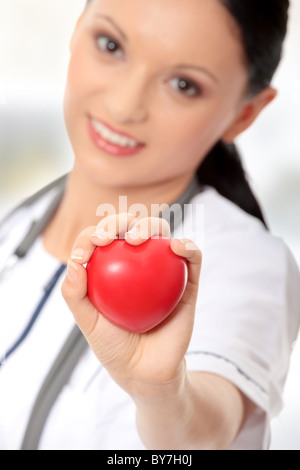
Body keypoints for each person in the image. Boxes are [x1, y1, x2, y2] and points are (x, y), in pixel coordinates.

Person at [0, 0, 299, 450]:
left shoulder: (245, 264)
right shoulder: (13, 222)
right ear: (78, 27)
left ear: (244, 114)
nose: (124, 106)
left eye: (184, 84)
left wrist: (162, 394)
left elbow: (206, 434)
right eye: (111, 45)